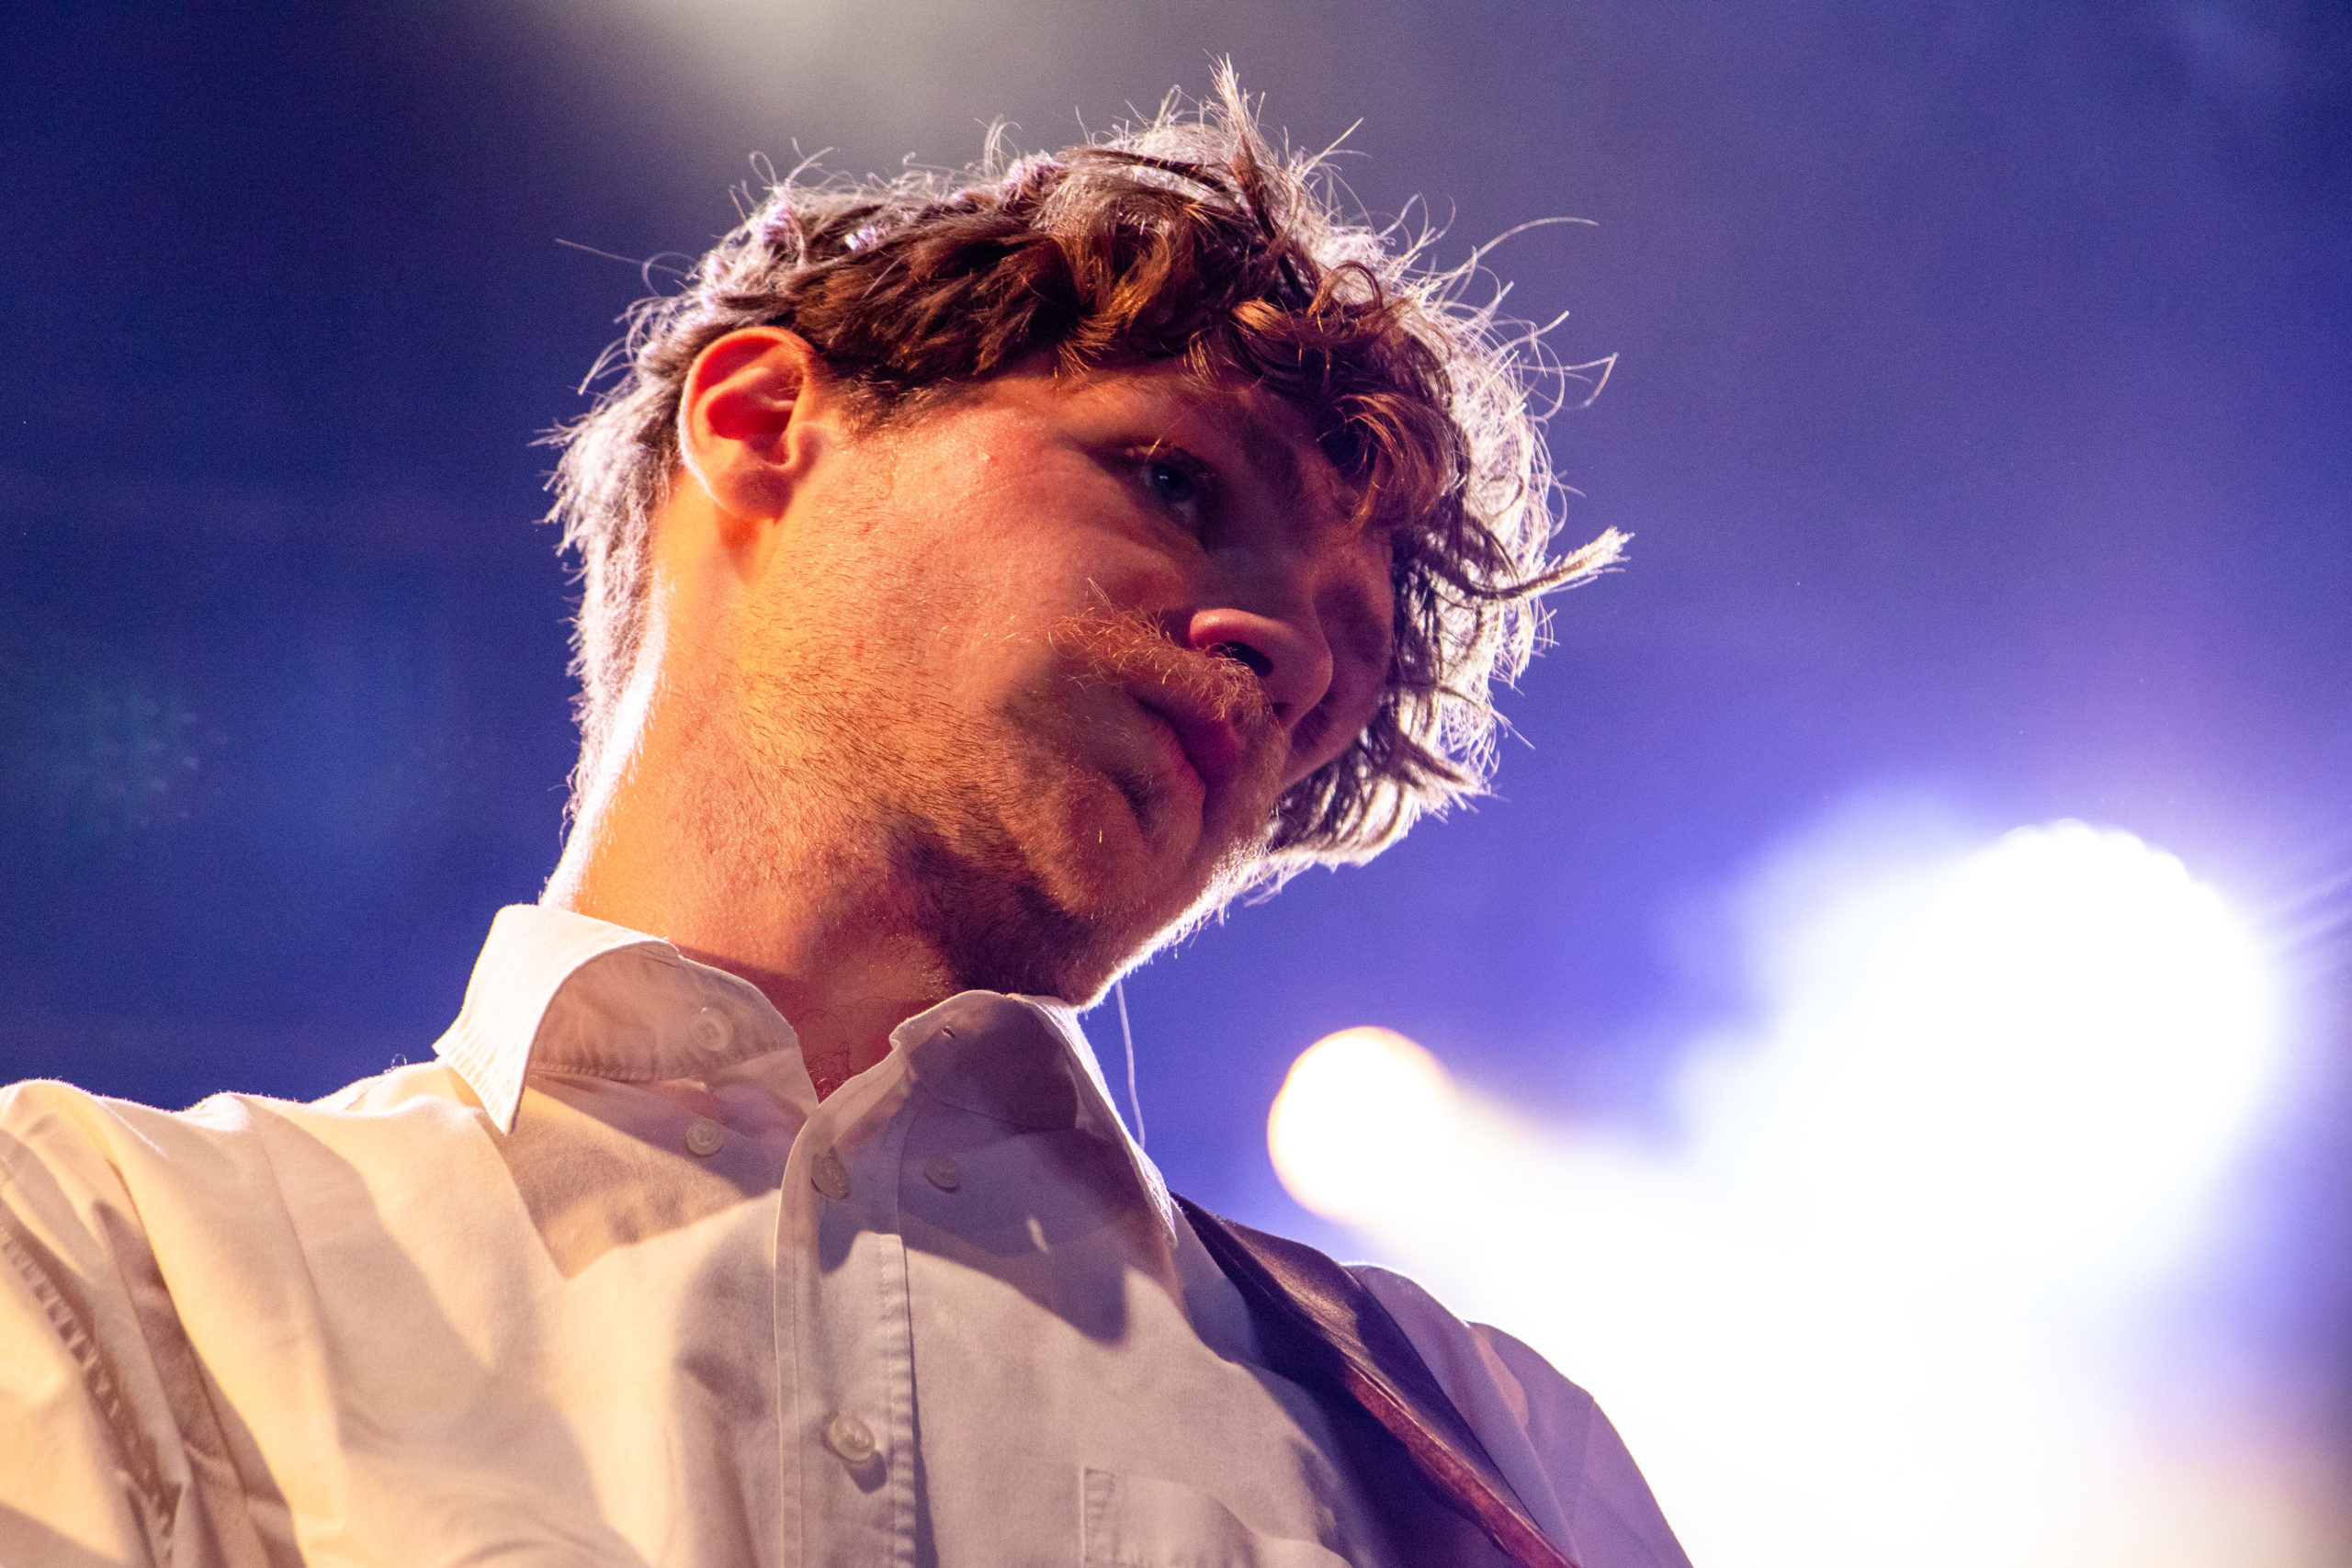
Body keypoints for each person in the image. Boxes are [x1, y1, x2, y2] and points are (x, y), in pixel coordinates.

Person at [0, 79, 1690, 1568]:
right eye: (1176, 481)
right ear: (757, 426)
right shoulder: (101, 1250)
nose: (1284, 658)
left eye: (1339, 668)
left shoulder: (1493, 1446)